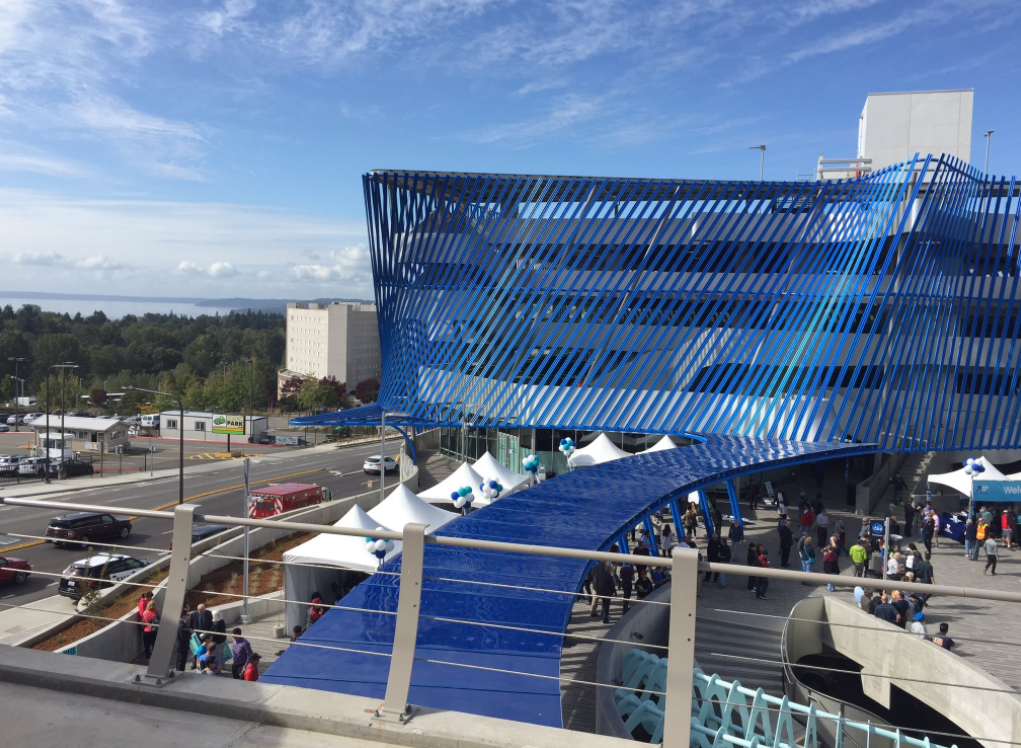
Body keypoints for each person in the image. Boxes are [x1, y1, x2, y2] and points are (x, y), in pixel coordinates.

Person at [188, 604, 214, 670]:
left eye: (203, 610)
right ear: (198, 610)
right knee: (196, 650)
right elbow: (190, 624)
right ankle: (195, 663)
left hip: (205, 635)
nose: (203, 612)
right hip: (196, 636)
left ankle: (205, 662)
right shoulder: (193, 614)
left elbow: (211, 624)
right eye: (201, 611)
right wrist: (191, 631)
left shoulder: (208, 613)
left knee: (204, 649)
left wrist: (208, 633)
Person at [141, 599, 160, 664]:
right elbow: (159, 620)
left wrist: (143, 628)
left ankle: (147, 658)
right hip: (154, 631)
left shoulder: (145, 612)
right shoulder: (156, 612)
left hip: (146, 631)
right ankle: (154, 658)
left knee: (147, 645)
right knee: (154, 645)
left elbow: (143, 622)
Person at [175, 606, 191, 672]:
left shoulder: (180, 623)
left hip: (179, 645)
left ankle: (178, 670)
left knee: (179, 659)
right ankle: (180, 672)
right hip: (182, 646)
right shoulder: (182, 625)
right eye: (187, 615)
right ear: (183, 616)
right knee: (181, 660)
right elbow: (183, 637)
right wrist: (190, 633)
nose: (188, 617)